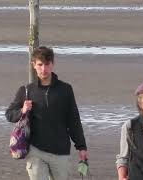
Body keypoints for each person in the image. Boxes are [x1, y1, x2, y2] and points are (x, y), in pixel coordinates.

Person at [5, 46, 88, 180]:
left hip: (61, 152)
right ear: (34, 65)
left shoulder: (65, 90)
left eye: (47, 64)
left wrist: (81, 147)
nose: (43, 69)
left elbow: (74, 120)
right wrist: (22, 110)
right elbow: (9, 114)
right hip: (36, 151)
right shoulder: (26, 90)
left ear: (52, 64)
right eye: (40, 64)